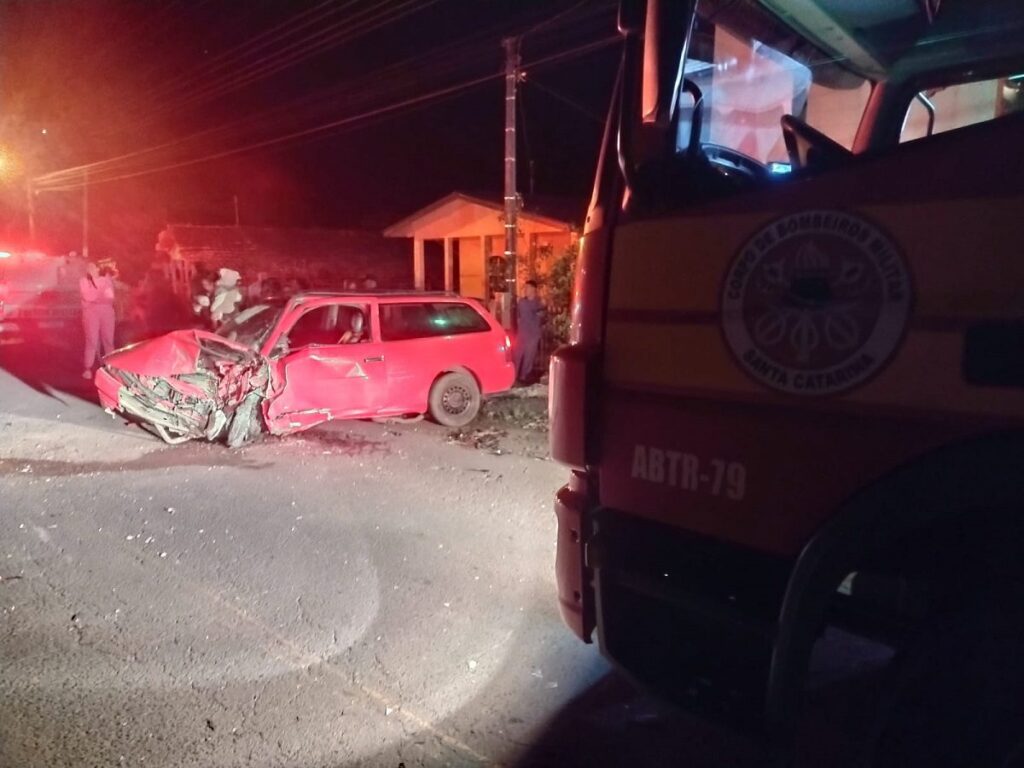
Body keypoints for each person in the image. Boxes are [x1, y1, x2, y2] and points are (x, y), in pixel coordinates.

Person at [80, 257, 117, 379]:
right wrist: (98, 293)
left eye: (92, 266)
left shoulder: (106, 279)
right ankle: (88, 367)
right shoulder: (84, 281)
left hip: (106, 311)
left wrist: (97, 294)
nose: (90, 269)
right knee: (92, 340)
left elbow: (110, 296)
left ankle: (110, 366)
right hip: (91, 312)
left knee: (108, 340)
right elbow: (88, 297)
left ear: (97, 268)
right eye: (88, 267)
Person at [513, 279, 545, 385]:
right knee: (516, 355)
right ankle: (513, 377)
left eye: (527, 288)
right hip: (522, 334)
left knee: (528, 358)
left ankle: (523, 377)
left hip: (533, 335)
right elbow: (518, 316)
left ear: (533, 289)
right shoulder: (522, 302)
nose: (525, 290)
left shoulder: (539, 303)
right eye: (525, 288)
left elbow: (543, 317)